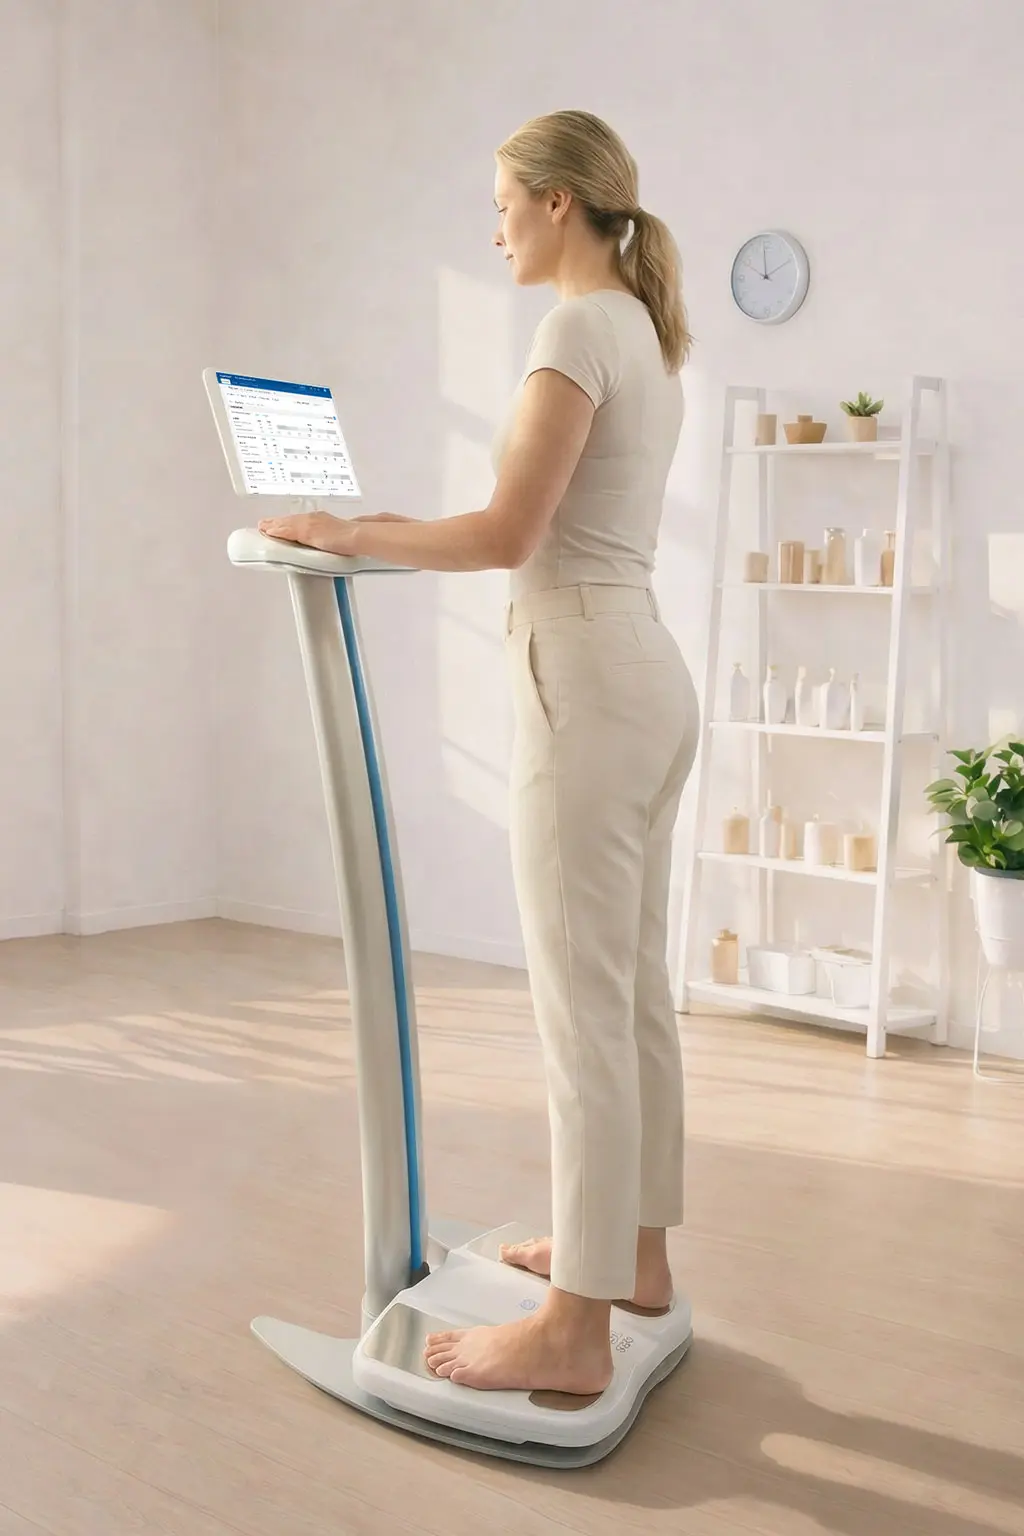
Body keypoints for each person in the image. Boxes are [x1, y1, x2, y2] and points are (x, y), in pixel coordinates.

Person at [258, 109, 699, 1398]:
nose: (492, 223)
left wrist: (351, 533)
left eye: (503, 199)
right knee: (634, 995)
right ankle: (638, 1259)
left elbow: (511, 531)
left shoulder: (574, 327)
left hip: (587, 688)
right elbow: (545, 522)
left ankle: (572, 1329)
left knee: (583, 1017)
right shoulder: (646, 332)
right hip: (646, 675)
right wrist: (378, 525)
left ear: (561, 202)